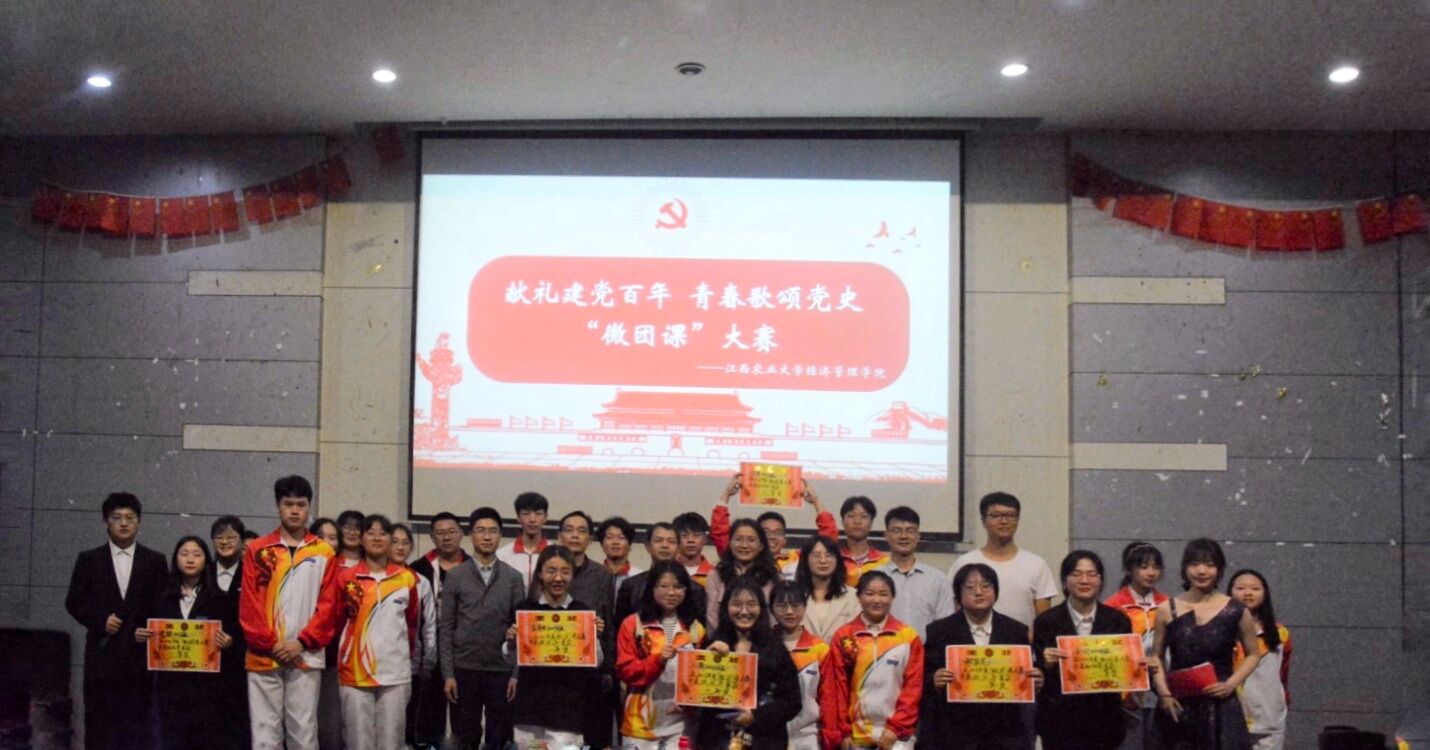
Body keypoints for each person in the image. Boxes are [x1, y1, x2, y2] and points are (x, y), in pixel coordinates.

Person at [240, 475, 342, 750]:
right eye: (288, 504)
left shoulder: (324, 552)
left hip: (305, 655)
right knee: (264, 734)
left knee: (304, 733)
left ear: (309, 507)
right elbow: (249, 604)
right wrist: (270, 644)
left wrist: (302, 642)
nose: (295, 511)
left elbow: (329, 606)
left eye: (301, 504)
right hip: (264, 655)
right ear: (278, 506)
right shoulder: (259, 549)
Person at [64, 491, 168, 750]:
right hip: (102, 656)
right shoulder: (89, 559)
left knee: (137, 726)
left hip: (139, 658)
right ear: (105, 522)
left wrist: (149, 629)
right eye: (116, 517)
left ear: (139, 522)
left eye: (130, 518)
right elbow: (74, 601)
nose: (123, 523)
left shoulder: (155, 561)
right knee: (99, 725)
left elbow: (164, 604)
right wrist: (100, 620)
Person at [1149, 539, 1262, 750]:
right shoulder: (1166, 609)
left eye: (1209, 565)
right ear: (1185, 568)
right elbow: (1156, 656)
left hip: (1222, 704)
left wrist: (1231, 684)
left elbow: (1253, 654)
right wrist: (1164, 694)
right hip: (1178, 705)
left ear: (1219, 570)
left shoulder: (1235, 609)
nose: (1201, 571)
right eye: (1194, 564)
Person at [327, 515, 421, 750]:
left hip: (395, 673)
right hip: (355, 673)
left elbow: (411, 623)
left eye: (383, 533)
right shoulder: (346, 578)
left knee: (392, 742)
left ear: (390, 539)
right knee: (358, 742)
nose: (377, 538)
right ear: (361, 539)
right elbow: (337, 620)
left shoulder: (406, 578)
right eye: (370, 532)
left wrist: (403, 656)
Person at [921, 563, 1040, 750]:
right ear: (958, 595)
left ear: (995, 592)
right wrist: (934, 680)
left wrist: (1035, 682)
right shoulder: (939, 631)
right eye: (970, 587)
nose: (978, 592)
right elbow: (924, 676)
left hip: (1004, 732)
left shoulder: (1016, 631)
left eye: (986, 586)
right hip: (955, 731)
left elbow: (1024, 678)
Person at [135, 536, 239, 749]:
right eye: (184, 554)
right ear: (176, 559)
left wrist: (229, 641)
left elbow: (235, 635)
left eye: (196, 554)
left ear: (206, 560)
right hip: (170, 686)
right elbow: (148, 629)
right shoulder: (162, 596)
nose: (190, 559)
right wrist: (141, 635)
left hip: (207, 688)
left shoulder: (219, 598)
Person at [440, 507, 527, 750]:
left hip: (501, 669)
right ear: (471, 535)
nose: (487, 537)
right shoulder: (455, 576)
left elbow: (520, 629)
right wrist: (448, 674)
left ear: (500, 535)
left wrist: (516, 674)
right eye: (481, 531)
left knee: (498, 738)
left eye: (493, 531)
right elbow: (446, 627)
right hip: (464, 667)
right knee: (465, 738)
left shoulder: (513, 577)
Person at [506, 546, 605, 749]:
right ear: (540, 574)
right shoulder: (525, 610)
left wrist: (593, 637)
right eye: (551, 571)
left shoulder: (582, 612)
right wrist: (511, 642)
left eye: (565, 571)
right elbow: (510, 659)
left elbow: (596, 662)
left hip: (567, 709)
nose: (558, 578)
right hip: (529, 708)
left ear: (573, 575)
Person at [1032, 551, 1132, 750]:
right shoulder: (1046, 621)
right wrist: (1045, 664)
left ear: (1100, 580)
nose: (1084, 580)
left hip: (1106, 722)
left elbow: (1126, 668)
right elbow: (1037, 674)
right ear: (1064, 581)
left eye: (1092, 574)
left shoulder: (1118, 621)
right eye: (1076, 574)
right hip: (1059, 723)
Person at [819, 571, 924, 750]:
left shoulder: (908, 637)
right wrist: (844, 731)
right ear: (859, 597)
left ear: (892, 598)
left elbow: (913, 688)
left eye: (883, 594)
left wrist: (895, 728)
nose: (876, 600)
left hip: (897, 735)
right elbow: (837, 688)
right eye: (869, 593)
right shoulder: (844, 636)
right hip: (856, 735)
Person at [696, 576, 802, 750]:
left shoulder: (776, 649)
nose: (744, 611)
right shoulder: (712, 645)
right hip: (718, 739)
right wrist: (707, 661)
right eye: (737, 604)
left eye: (751, 604)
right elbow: (696, 697)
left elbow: (792, 702)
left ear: (761, 608)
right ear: (725, 607)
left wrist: (755, 716)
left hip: (764, 741)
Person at [614, 560, 705, 750]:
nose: (671, 593)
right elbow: (625, 670)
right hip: (640, 724)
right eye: (663, 586)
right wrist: (658, 661)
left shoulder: (697, 630)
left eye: (678, 587)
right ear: (651, 589)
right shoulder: (633, 624)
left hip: (682, 724)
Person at [948, 493, 1057, 634]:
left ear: (1018, 520)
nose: (1004, 521)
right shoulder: (964, 563)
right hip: (972, 645)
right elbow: (955, 611)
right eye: (996, 515)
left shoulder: (1037, 564)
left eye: (1010, 515)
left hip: (1022, 644)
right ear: (983, 521)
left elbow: (1043, 620)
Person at [555, 510, 617, 749]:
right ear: (559, 536)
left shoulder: (602, 576)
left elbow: (608, 625)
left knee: (592, 737)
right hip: (553, 671)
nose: (575, 535)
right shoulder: (548, 571)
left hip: (590, 670)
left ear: (590, 539)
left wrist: (607, 669)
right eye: (569, 530)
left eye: (581, 531)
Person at [410, 511, 470, 748]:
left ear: (461, 534)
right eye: (440, 533)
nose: (446, 537)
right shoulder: (418, 568)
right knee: (429, 704)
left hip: (463, 646)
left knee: (463, 707)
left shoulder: (473, 567)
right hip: (431, 645)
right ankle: (429, 743)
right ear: (432, 537)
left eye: (452, 532)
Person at [1104, 542, 1169, 750]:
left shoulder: (1168, 604)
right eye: (1143, 567)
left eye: (1156, 567)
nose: (1151, 573)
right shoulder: (1113, 606)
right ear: (1129, 569)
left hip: (1162, 687)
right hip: (1126, 690)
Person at [710, 474, 837, 576]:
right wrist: (726, 494)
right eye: (766, 532)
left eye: (777, 533)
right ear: (758, 539)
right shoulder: (743, 557)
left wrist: (816, 502)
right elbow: (719, 532)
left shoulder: (796, 560)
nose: (771, 537)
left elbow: (827, 542)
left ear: (785, 540)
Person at [1228, 570, 1291, 750]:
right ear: (1230, 592)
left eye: (1255, 589)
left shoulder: (1280, 634)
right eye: (1241, 588)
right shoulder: (1220, 631)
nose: (1248, 593)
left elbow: (1283, 675)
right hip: (1232, 717)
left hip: (1269, 719)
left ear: (1265, 594)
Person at [391, 524, 439, 750]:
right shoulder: (375, 578)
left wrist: (428, 660)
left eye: (405, 543)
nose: (400, 547)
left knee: (407, 716)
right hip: (376, 663)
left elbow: (429, 624)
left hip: (411, 661)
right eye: (395, 541)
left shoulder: (420, 581)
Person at [878, 506, 954, 640]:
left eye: (910, 531)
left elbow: (946, 626)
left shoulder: (938, 579)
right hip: (883, 651)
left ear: (918, 536)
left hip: (927, 652)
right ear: (886, 536)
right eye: (897, 531)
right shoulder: (874, 578)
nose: (903, 536)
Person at [769, 579, 828, 750]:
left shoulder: (820, 649)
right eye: (781, 605)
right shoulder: (762, 646)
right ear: (771, 608)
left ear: (804, 607)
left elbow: (828, 698)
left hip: (808, 736)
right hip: (768, 735)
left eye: (795, 605)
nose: (789, 611)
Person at [211, 515, 251, 749]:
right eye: (219, 537)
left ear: (241, 541)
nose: (225, 542)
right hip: (205, 661)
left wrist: (235, 642)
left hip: (240, 660)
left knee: (238, 723)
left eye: (231, 537)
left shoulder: (252, 574)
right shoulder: (202, 572)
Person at [617, 522, 705, 629]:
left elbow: (700, 629)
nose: (665, 546)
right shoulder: (631, 585)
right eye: (658, 540)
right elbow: (620, 627)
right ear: (647, 546)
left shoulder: (695, 589)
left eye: (671, 541)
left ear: (679, 548)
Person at [704, 518, 780, 627]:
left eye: (751, 540)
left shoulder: (773, 577)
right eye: (738, 539)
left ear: (761, 546)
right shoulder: (716, 576)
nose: (744, 545)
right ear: (730, 543)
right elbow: (712, 617)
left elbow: (776, 618)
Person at [794, 535, 860, 641]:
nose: (823, 560)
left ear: (837, 560)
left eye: (829, 555)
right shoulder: (794, 596)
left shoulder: (854, 597)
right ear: (805, 560)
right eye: (816, 555)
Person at [497, 491, 551, 590]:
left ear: (546, 517)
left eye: (538, 514)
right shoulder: (502, 556)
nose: (532, 519)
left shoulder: (554, 553)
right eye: (526, 514)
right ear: (518, 518)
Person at [837, 496, 889, 585]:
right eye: (851, 516)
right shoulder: (835, 559)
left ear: (871, 522)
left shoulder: (884, 562)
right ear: (842, 521)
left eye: (864, 516)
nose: (857, 521)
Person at [598, 515, 643, 602]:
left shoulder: (640, 577)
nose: (615, 542)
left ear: (630, 545)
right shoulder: (594, 576)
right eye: (610, 537)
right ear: (602, 545)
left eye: (621, 538)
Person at [672, 511, 715, 588]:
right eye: (684, 535)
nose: (691, 540)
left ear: (705, 539)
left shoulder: (714, 574)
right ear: (676, 538)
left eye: (697, 535)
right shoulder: (667, 571)